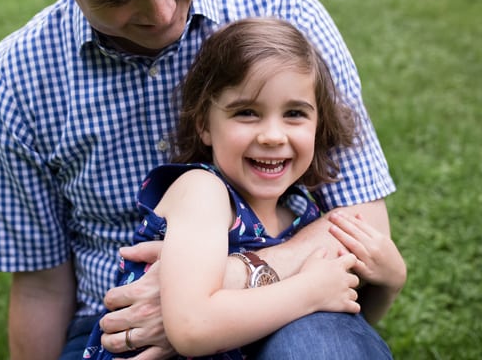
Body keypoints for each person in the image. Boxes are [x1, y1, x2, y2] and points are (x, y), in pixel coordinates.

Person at [0, 0, 400, 360]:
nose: (159, 15)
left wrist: (214, 286)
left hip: (292, 305)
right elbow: (39, 284)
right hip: (119, 324)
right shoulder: (19, 74)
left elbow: (360, 226)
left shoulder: (284, 9)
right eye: (116, 0)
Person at [82, 18, 405, 359]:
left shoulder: (300, 212)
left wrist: (391, 280)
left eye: (294, 113)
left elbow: (347, 324)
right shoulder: (202, 193)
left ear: (318, 125)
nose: (272, 136)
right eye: (247, 112)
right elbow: (192, 328)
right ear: (205, 125)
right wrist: (309, 291)